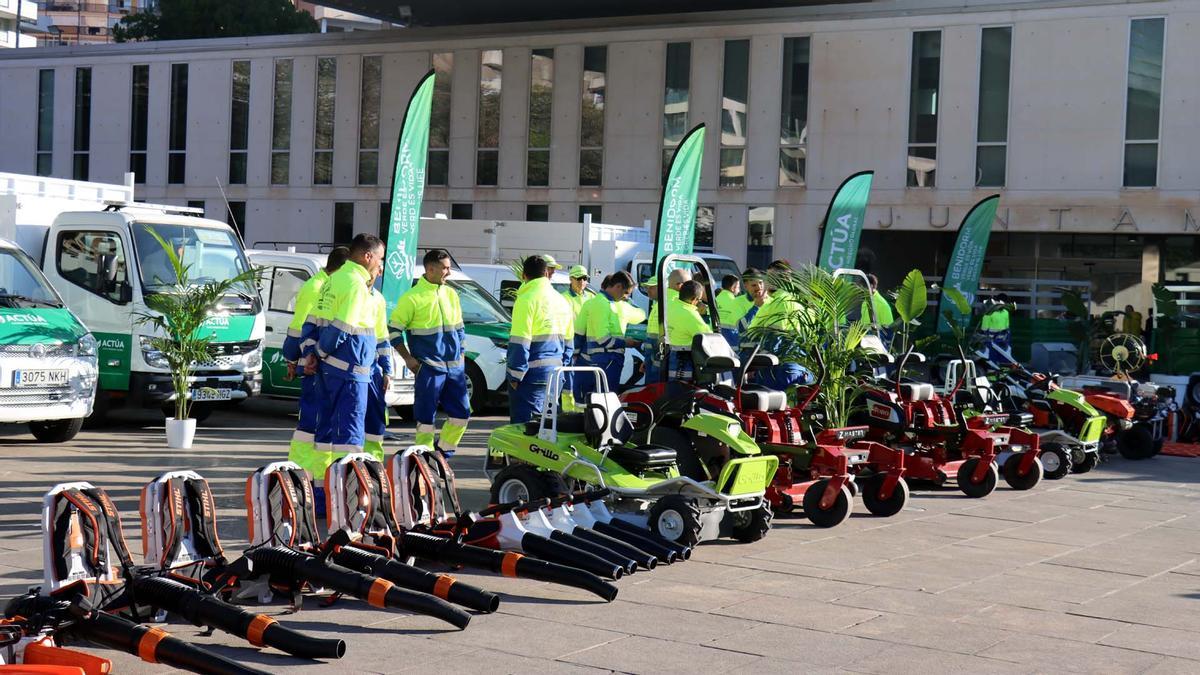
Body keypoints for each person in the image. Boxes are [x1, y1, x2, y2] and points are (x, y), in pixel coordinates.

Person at [307, 234, 386, 509]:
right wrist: (321, 352)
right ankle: (349, 500)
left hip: (329, 371)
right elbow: (344, 327)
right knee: (350, 438)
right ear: (367, 256)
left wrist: (314, 354)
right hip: (350, 372)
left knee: (325, 435)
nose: (381, 264)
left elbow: (316, 322)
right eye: (380, 258)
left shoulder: (333, 280)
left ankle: (321, 497)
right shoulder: (356, 285)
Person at [389, 249, 470, 458]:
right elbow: (393, 330)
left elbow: (460, 329)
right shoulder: (412, 298)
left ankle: (442, 455)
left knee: (462, 414)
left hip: (455, 369)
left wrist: (461, 354)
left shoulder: (451, 294)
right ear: (430, 269)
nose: (449, 273)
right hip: (428, 368)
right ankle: (424, 459)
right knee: (425, 420)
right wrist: (408, 359)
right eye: (445, 268)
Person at [283, 247, 348, 485]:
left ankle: (306, 475)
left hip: (315, 365)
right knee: (311, 426)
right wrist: (293, 359)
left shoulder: (320, 285)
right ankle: (302, 477)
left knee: (314, 428)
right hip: (313, 367)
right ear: (341, 269)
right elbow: (299, 328)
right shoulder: (318, 288)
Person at [508, 255, 573, 424]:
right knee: (548, 428)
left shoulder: (526, 300)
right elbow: (569, 343)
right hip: (556, 373)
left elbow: (519, 342)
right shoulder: (561, 300)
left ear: (523, 275)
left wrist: (515, 376)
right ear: (546, 273)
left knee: (525, 429)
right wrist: (562, 368)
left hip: (531, 375)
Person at [748, 260, 809, 390]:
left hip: (776, 371)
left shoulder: (781, 302)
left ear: (784, 278)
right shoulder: (797, 301)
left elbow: (773, 340)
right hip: (796, 369)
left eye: (771, 277)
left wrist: (750, 363)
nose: (766, 281)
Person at [575, 271, 639, 396]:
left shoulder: (605, 302)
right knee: (605, 399)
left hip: (605, 359)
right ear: (618, 286)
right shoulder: (603, 303)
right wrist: (626, 343)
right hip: (607, 359)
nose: (625, 297)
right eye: (625, 292)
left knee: (601, 400)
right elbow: (603, 339)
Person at [362, 272, 392, 462]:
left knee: (375, 419)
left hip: (372, 371)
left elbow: (382, 336)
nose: (377, 272)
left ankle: (374, 463)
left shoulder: (378, 299)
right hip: (347, 369)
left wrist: (387, 369)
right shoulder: (350, 293)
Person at [561, 265, 597, 409]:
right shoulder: (564, 298)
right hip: (570, 340)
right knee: (569, 378)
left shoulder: (592, 297)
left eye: (585, 278)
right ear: (571, 279)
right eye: (578, 278)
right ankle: (567, 412)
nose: (582, 281)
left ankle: (582, 412)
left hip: (587, 343)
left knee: (584, 379)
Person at [665, 280, 713, 379]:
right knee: (683, 391)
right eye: (699, 300)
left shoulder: (669, 305)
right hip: (683, 361)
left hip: (668, 356)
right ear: (694, 299)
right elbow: (709, 336)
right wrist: (705, 315)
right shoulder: (691, 315)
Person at [715, 274, 750, 350]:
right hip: (731, 339)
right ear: (733, 288)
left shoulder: (716, 300)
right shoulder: (736, 302)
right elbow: (742, 323)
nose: (739, 290)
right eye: (738, 287)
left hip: (716, 338)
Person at [862, 273, 895, 348]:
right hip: (867, 338)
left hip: (878, 341)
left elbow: (887, 329)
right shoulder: (865, 301)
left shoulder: (881, 303)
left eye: (863, 286)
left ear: (871, 286)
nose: (861, 288)